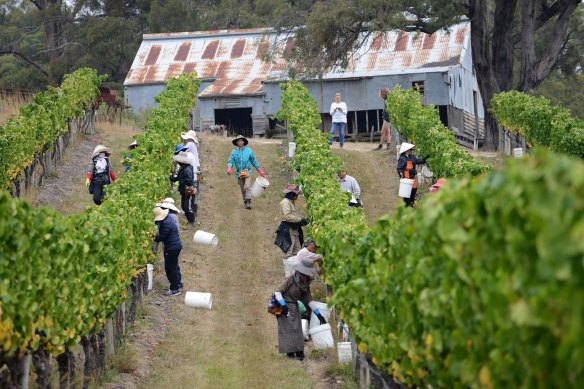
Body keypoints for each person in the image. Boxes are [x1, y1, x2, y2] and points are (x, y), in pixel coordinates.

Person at [274, 258, 327, 361]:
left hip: (294, 306)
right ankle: (290, 353)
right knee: (288, 329)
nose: (307, 277)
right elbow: (277, 292)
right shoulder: (290, 279)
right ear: (301, 272)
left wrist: (319, 315)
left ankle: (299, 352)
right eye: (306, 274)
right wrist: (283, 305)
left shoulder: (305, 285)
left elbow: (309, 300)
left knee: (297, 330)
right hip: (282, 305)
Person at [226, 135, 266, 209]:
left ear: (244, 141)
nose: (240, 142)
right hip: (239, 173)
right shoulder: (234, 152)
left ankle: (248, 201)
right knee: (242, 189)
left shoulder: (249, 151)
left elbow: (254, 161)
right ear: (236, 142)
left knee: (247, 187)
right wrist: (229, 167)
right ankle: (245, 200)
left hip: (248, 172)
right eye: (238, 141)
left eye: (241, 140)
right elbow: (231, 161)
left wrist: (260, 170)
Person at [153, 206, 183, 296]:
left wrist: (152, 238)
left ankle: (174, 289)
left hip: (172, 248)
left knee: (170, 268)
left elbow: (162, 237)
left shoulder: (165, 223)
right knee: (174, 266)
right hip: (175, 246)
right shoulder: (169, 219)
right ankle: (177, 284)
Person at [275, 184, 308, 260]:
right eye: (296, 194)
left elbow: (293, 215)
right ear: (292, 194)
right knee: (288, 253)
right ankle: (288, 271)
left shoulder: (290, 202)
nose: (297, 196)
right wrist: (300, 220)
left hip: (294, 230)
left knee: (298, 252)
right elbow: (287, 216)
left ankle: (295, 271)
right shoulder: (285, 202)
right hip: (288, 230)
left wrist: (302, 220)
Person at [397, 142, 428, 208]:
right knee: (407, 193)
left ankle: (411, 203)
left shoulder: (412, 157)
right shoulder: (402, 158)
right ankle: (407, 206)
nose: (412, 151)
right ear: (406, 150)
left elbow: (420, 161)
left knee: (413, 190)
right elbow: (399, 169)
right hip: (406, 178)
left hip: (413, 178)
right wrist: (402, 176)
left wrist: (425, 158)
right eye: (411, 150)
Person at [170, 151, 196, 225]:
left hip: (188, 190)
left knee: (187, 207)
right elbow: (178, 178)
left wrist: (180, 182)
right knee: (184, 207)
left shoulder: (187, 169)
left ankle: (192, 221)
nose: (178, 162)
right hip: (184, 190)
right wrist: (171, 178)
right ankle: (190, 221)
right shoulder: (183, 168)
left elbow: (188, 179)